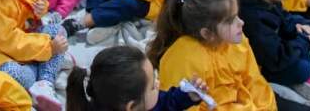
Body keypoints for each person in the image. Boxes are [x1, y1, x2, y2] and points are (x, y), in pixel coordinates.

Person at [148, 0, 276, 111]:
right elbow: (185, 107)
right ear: (207, 34)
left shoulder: (237, 41)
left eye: (237, 15)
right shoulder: (185, 58)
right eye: (230, 20)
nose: (241, 22)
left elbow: (254, 82)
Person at [65, 45, 205, 111]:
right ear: (131, 107)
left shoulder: (141, 100)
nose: (158, 83)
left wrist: (187, 96)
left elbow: (166, 102)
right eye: (152, 86)